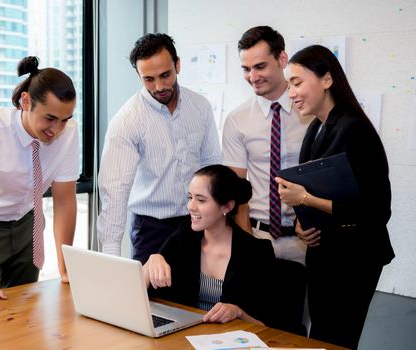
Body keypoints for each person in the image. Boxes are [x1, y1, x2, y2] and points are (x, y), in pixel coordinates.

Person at [277, 44, 395, 349]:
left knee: (336, 339)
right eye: (289, 85)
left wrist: (305, 201)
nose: (291, 93)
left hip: (354, 259)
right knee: (322, 337)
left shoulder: (354, 129)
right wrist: (304, 225)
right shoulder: (316, 128)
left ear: (327, 80)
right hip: (326, 255)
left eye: (298, 83)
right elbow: (320, 192)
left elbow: (376, 210)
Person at [0, 56, 79, 309]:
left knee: (25, 312)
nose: (57, 129)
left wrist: (67, 269)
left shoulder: (69, 132)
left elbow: (64, 201)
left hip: (28, 226)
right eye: (50, 118)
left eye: (64, 119)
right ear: (26, 102)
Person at [97, 33, 221, 263]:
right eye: (149, 79)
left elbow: (211, 165)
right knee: (149, 298)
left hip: (196, 222)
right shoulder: (127, 120)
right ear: (139, 76)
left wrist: (219, 223)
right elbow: (115, 190)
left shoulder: (200, 107)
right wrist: (111, 259)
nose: (159, 86)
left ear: (178, 65)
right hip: (151, 229)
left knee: (192, 297)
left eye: (165, 75)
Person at [222, 26, 312, 266]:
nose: (252, 76)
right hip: (257, 235)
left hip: (306, 239)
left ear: (282, 59)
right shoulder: (236, 119)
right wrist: (246, 242)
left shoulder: (311, 113)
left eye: (260, 66)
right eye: (246, 69)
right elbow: (237, 190)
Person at [144, 165, 276, 325]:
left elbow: (269, 326)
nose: (191, 206)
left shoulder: (257, 252)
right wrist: (151, 262)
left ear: (227, 206)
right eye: (189, 197)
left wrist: (238, 312)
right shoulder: (183, 239)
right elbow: (137, 297)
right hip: (185, 337)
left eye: (200, 200)